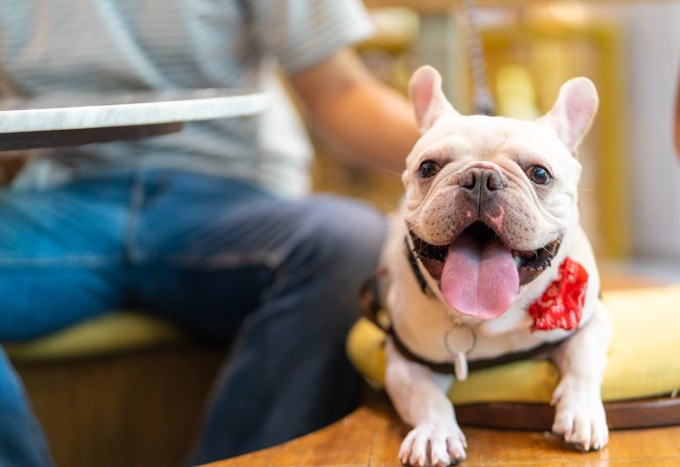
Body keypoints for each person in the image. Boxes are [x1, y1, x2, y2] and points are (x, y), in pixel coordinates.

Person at [0, 1, 419, 466]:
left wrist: (477, 148)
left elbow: (341, 90)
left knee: (348, 243)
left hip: (233, 199)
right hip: (65, 202)